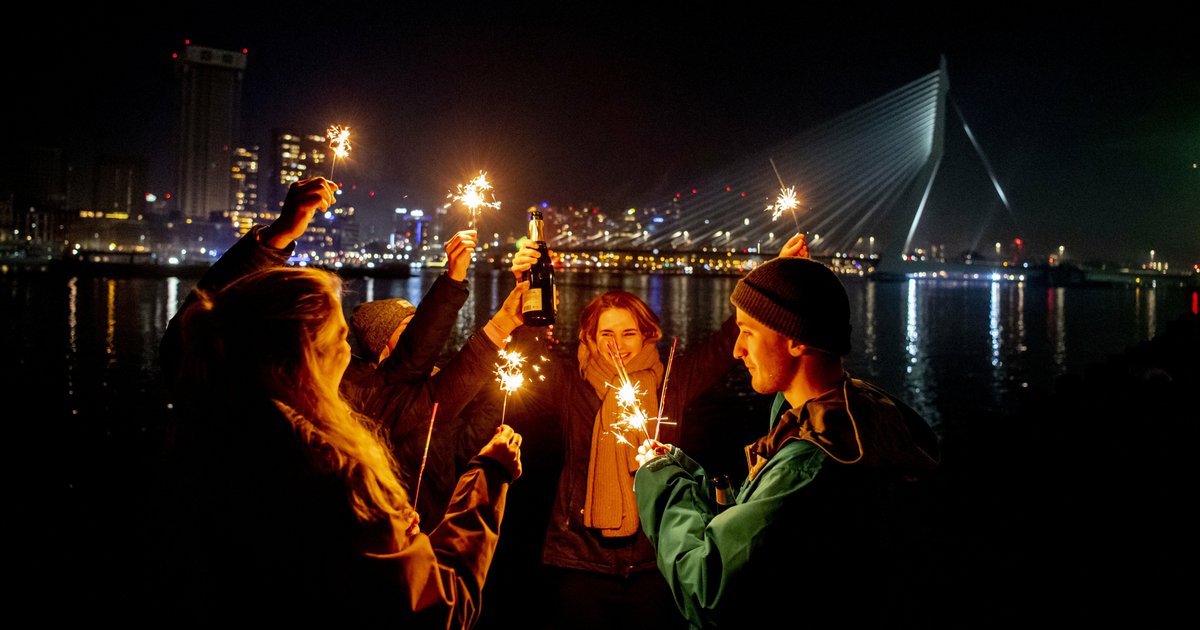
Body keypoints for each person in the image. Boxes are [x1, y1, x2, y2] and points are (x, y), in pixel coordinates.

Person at [497, 235, 808, 630]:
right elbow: (527, 349)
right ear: (589, 339)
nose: (617, 345)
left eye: (628, 333)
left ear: (647, 335)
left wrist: (774, 276)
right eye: (605, 334)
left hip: (656, 559)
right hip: (578, 559)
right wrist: (526, 284)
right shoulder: (570, 386)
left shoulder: (672, 383)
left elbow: (726, 339)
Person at [632, 254, 942, 629]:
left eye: (748, 331)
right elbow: (760, 535)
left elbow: (705, 589)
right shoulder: (856, 410)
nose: (737, 350)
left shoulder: (807, 465)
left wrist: (660, 483)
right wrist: (682, 476)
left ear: (795, 339)